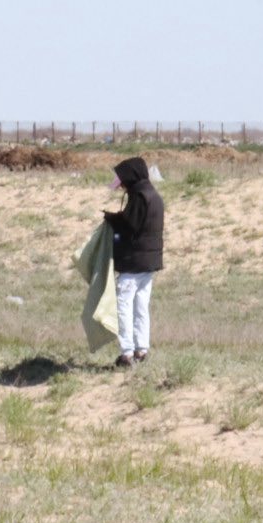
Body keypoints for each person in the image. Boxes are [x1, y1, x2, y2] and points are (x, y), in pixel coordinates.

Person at [102, 156, 164, 368]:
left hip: (134, 261)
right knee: (141, 306)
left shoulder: (139, 196)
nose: (122, 186)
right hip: (149, 261)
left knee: (124, 305)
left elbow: (130, 226)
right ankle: (142, 349)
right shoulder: (153, 194)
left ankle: (126, 353)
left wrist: (112, 220)